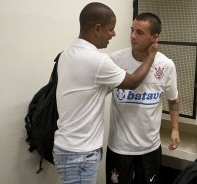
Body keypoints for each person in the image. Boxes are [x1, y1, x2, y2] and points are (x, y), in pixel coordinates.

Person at [53, 3, 157, 184]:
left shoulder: (66, 54)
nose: (114, 34)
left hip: (66, 148)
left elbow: (95, 88)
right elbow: (132, 82)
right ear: (97, 29)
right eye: (111, 29)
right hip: (80, 154)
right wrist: (150, 57)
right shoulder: (97, 60)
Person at [106, 12, 180, 184]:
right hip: (119, 147)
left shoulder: (166, 65)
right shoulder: (115, 60)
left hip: (150, 148)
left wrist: (175, 128)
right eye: (132, 30)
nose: (132, 36)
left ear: (154, 38)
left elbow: (173, 99)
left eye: (139, 32)